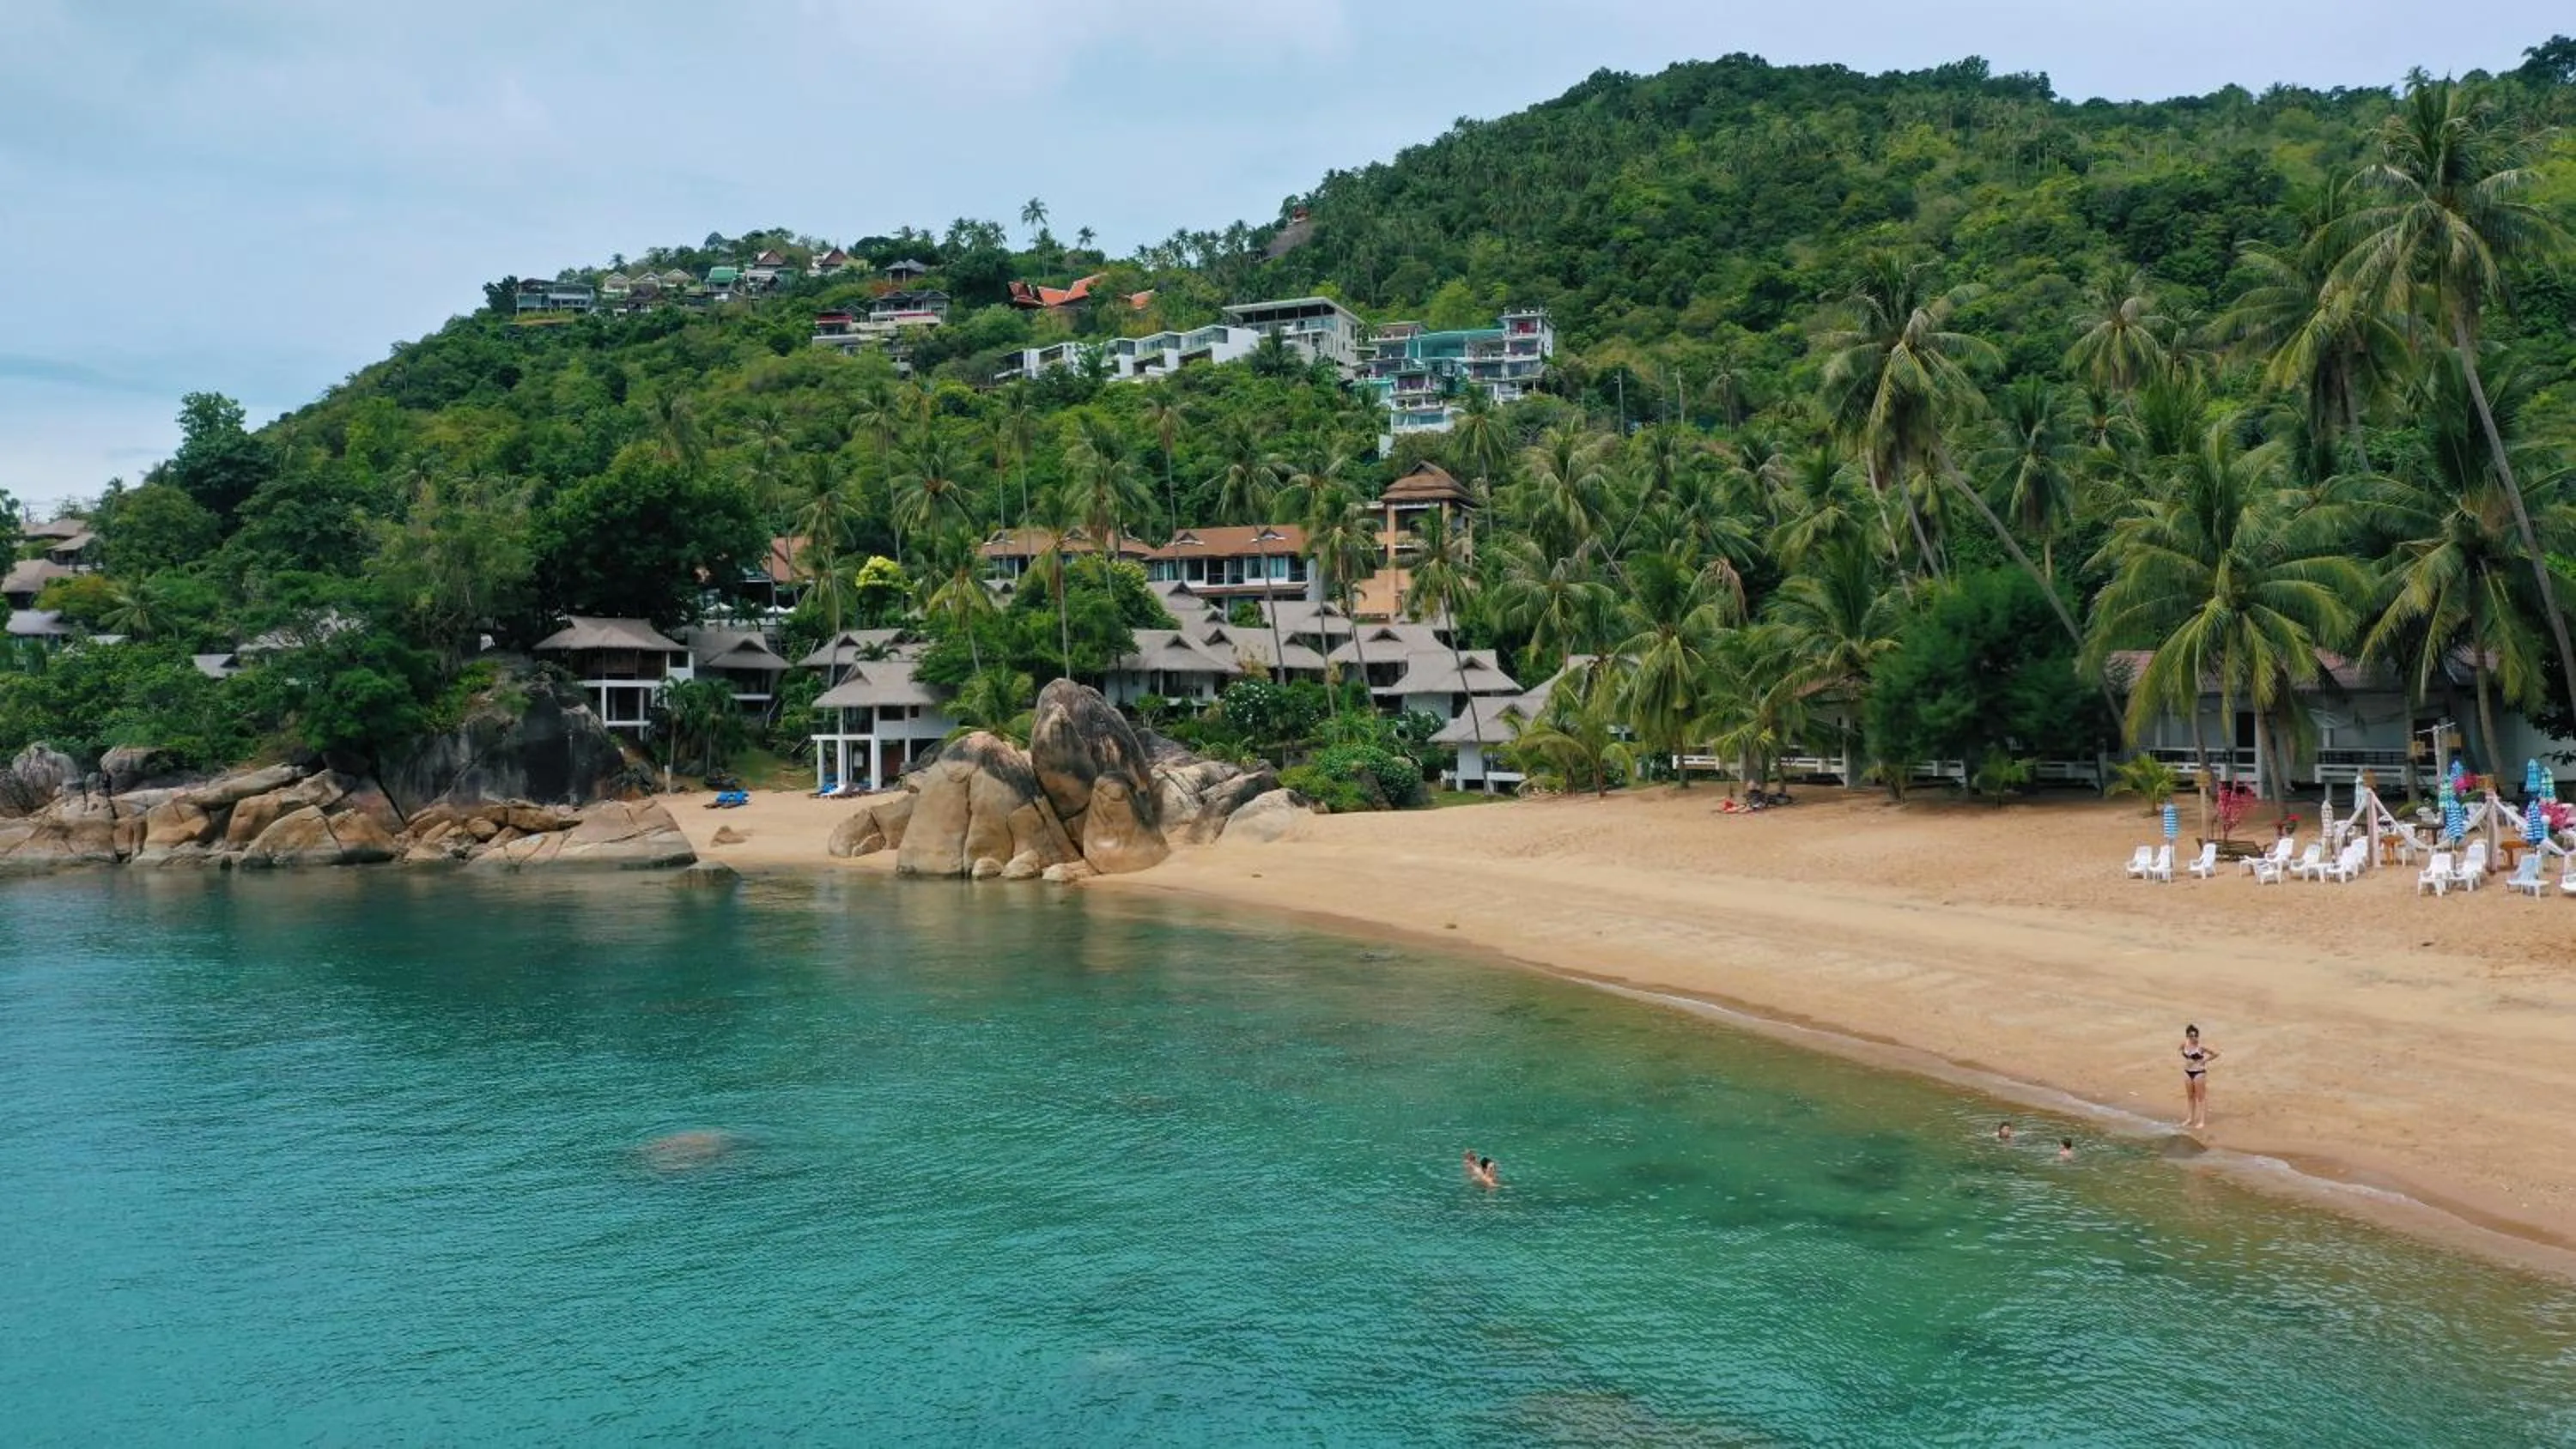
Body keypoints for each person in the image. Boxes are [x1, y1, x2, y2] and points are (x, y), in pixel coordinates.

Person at [2179, 1023, 2221, 1131]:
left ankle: (2201, 1120)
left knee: (2200, 1097)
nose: (2194, 1038)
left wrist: (2205, 1061)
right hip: (2187, 1072)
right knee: (2190, 1096)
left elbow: (2215, 1053)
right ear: (2187, 1036)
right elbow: (2180, 1050)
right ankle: (2190, 1118)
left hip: (2199, 1072)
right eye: (2191, 1036)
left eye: (2195, 1036)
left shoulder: (2201, 1046)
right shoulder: (2185, 1044)